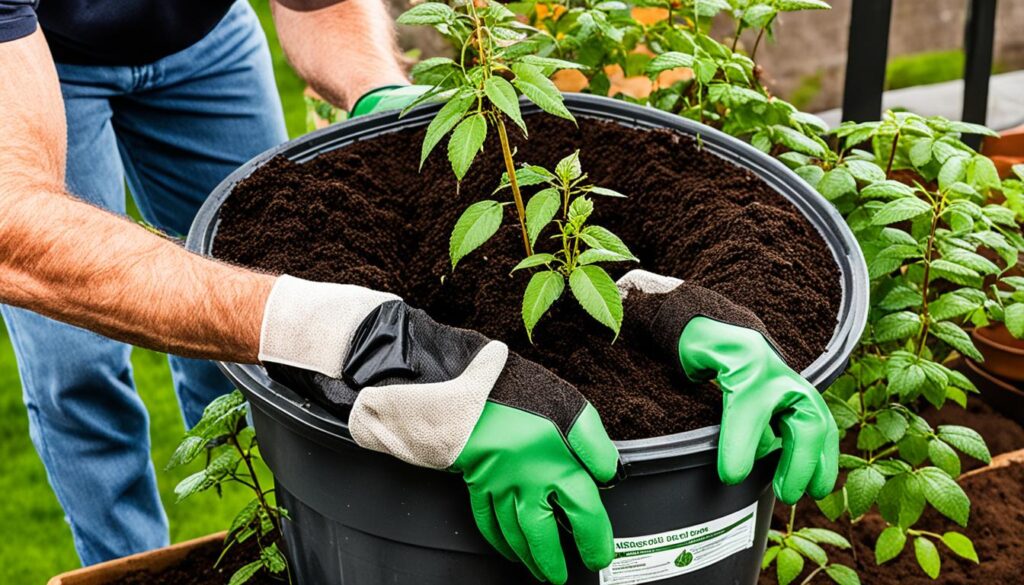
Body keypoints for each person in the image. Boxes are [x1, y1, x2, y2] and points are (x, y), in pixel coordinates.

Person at [0, 0, 838, 582]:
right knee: (79, 366)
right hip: (38, 56)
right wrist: (369, 343)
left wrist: (393, 111)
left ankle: (263, 535)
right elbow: (14, 225)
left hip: (203, 37)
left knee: (250, 291)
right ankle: (125, 555)